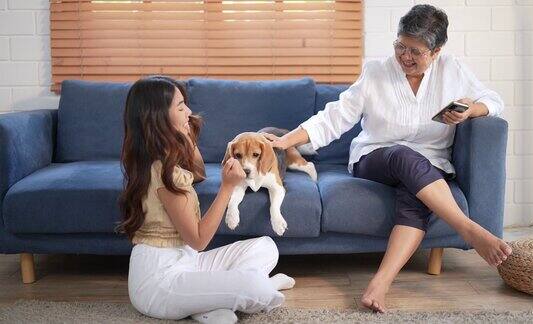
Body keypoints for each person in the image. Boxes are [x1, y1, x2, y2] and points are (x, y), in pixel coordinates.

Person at [263, 4, 512, 313]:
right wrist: (287, 140)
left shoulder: (452, 70)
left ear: (436, 52)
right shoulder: (376, 72)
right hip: (375, 157)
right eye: (400, 46)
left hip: (429, 166)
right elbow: (334, 118)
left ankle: (379, 284)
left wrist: (469, 110)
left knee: (415, 200)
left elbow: (493, 100)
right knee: (403, 156)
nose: (405, 57)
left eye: (416, 52)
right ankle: (466, 228)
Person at [118, 76, 295, 323]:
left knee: (266, 246)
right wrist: (227, 188)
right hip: (159, 283)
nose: (189, 111)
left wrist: (187, 137)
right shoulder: (163, 172)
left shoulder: (160, 155)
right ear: (158, 118)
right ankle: (258, 286)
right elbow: (199, 240)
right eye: (180, 107)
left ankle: (207, 304)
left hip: (188, 262)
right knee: (255, 288)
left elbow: (198, 173)